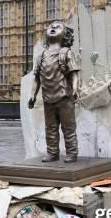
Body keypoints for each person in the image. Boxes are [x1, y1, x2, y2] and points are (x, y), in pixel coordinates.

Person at [28, 21, 81, 163]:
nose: (53, 28)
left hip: (64, 97)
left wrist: (75, 89)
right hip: (47, 99)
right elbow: (37, 79)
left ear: (65, 35)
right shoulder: (41, 56)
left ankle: (72, 153)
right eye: (51, 26)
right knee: (50, 129)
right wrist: (33, 95)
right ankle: (52, 153)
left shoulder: (66, 53)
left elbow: (74, 74)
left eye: (58, 27)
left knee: (68, 128)